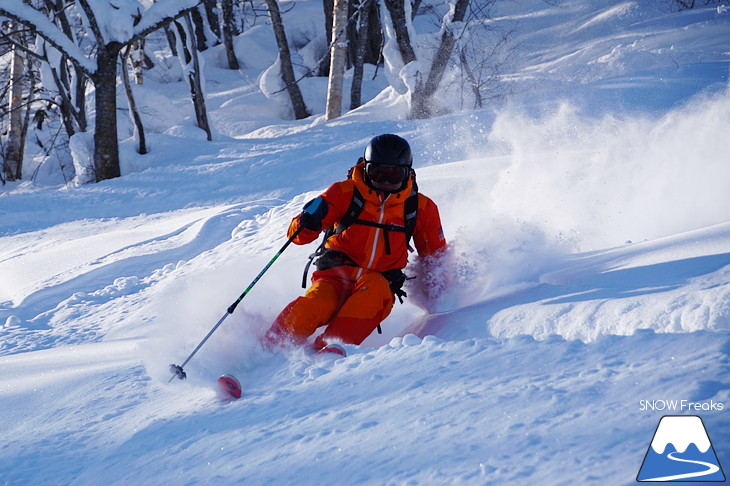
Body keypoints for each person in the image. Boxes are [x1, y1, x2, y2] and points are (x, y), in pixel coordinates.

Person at [263, 134, 447, 353]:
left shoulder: (420, 208)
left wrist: (441, 298)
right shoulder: (344, 192)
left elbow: (435, 258)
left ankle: (328, 350)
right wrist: (307, 221)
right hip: (334, 276)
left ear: (408, 172)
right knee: (311, 306)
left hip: (378, 282)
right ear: (365, 167)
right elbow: (298, 236)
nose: (385, 183)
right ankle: (267, 349)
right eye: (377, 174)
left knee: (372, 296)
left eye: (394, 175)